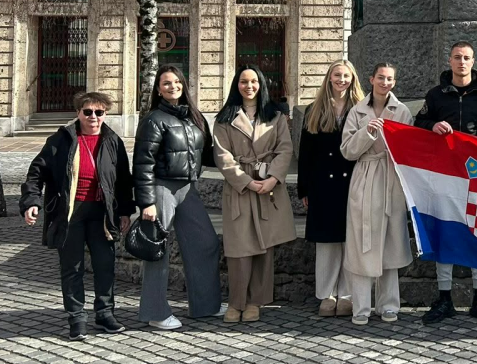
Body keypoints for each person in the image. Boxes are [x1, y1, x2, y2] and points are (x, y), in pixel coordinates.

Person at [20, 91, 133, 341]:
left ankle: (105, 314)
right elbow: (36, 174)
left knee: (105, 265)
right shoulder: (60, 140)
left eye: (99, 112)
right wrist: (32, 202)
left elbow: (124, 180)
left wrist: (125, 211)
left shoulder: (113, 141)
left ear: (105, 114)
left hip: (102, 214)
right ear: (78, 113)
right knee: (72, 268)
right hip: (70, 213)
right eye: (88, 112)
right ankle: (77, 318)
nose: (94, 117)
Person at [414, 41, 477, 325]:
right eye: (457, 57)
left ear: (473, 61)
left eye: (466, 58)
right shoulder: (435, 94)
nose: (462, 62)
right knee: (446, 233)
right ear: (450, 61)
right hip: (445, 176)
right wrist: (433, 126)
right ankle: (444, 298)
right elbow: (419, 124)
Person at [134, 65, 224, 329]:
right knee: (157, 250)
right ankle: (156, 312)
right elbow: (142, 163)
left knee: (205, 243)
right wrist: (146, 202)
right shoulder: (153, 119)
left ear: (184, 85)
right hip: (161, 188)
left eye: (176, 82)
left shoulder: (194, 118)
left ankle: (206, 305)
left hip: (187, 188)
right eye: (166, 83)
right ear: (158, 89)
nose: (172, 87)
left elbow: (208, 155)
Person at [211, 66, 296, 323]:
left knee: (264, 247)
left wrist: (273, 179)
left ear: (262, 84)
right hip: (240, 189)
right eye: (244, 81)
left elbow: (285, 149)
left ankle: (255, 301)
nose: (249, 86)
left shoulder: (275, 116)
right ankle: (236, 301)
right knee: (239, 249)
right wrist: (246, 181)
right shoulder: (224, 118)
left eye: (254, 81)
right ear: (236, 85)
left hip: (268, 188)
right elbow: (222, 156)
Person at [341, 63, 415, 325]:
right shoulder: (357, 111)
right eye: (381, 78)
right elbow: (347, 151)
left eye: (390, 79)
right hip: (365, 177)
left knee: (391, 244)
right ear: (371, 79)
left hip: (391, 180)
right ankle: (360, 307)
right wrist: (367, 133)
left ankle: (389, 305)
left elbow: (408, 149)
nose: (385, 82)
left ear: (394, 82)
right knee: (363, 242)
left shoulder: (402, 111)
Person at [298, 60, 365, 317]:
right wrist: (304, 188)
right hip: (322, 184)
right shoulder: (314, 110)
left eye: (346, 75)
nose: (341, 80)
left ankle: (347, 294)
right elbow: (305, 153)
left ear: (352, 79)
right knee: (326, 243)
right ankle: (326, 295)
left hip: (352, 182)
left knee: (349, 240)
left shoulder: (361, 110)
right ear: (329, 78)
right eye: (337, 75)